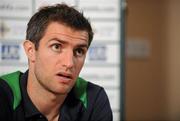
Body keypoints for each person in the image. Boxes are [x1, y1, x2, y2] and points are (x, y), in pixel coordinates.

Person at [0, 3, 112, 121]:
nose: (69, 63)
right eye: (57, 47)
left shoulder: (93, 98)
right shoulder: (3, 94)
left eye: (79, 51)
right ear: (31, 50)